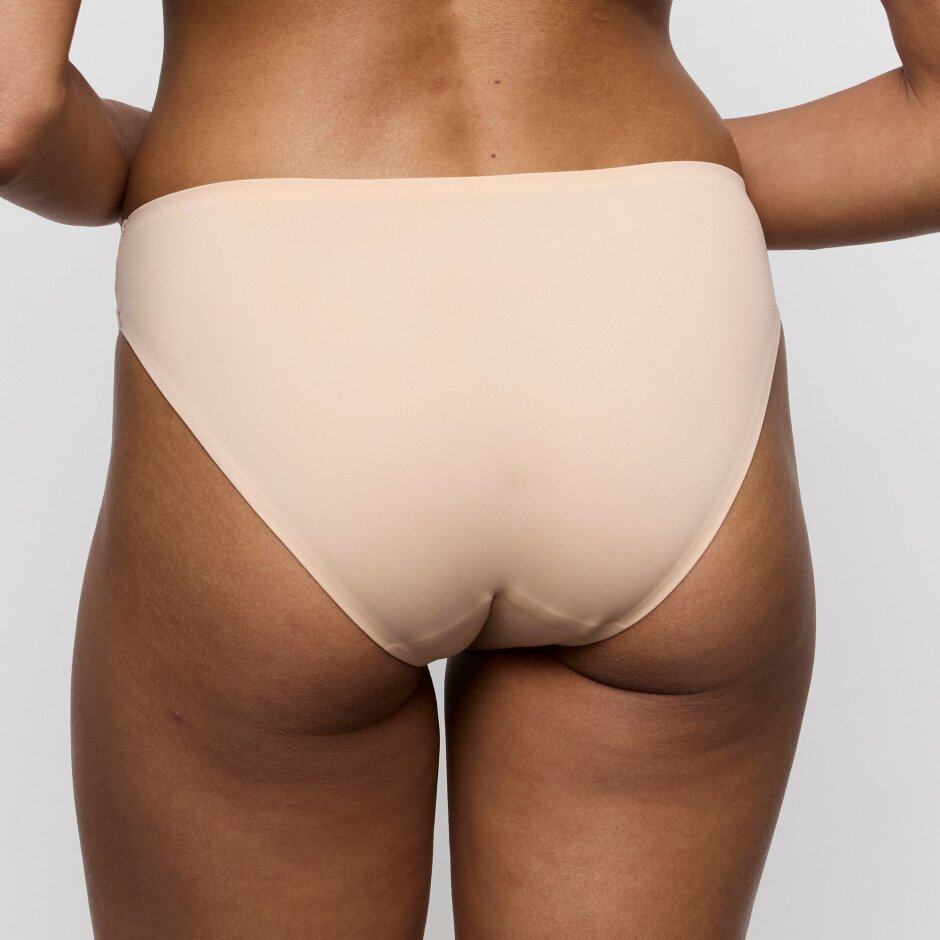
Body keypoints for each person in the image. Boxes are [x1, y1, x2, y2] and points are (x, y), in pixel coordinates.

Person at [1, 2, 938, 937]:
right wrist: (669, 183)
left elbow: (15, 111)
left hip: (278, 281)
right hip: (649, 297)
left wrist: (149, 162)